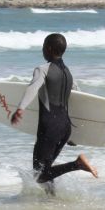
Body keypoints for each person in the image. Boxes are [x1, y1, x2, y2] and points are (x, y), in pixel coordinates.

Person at [10, 33, 97, 191]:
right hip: (65, 128)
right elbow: (79, 98)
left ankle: (76, 164)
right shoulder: (69, 74)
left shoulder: (42, 69)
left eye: (43, 46)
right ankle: (51, 201)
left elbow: (32, 88)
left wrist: (20, 108)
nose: (42, 49)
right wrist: (73, 134)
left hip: (50, 127)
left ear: (49, 49)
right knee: (46, 171)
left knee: (39, 174)